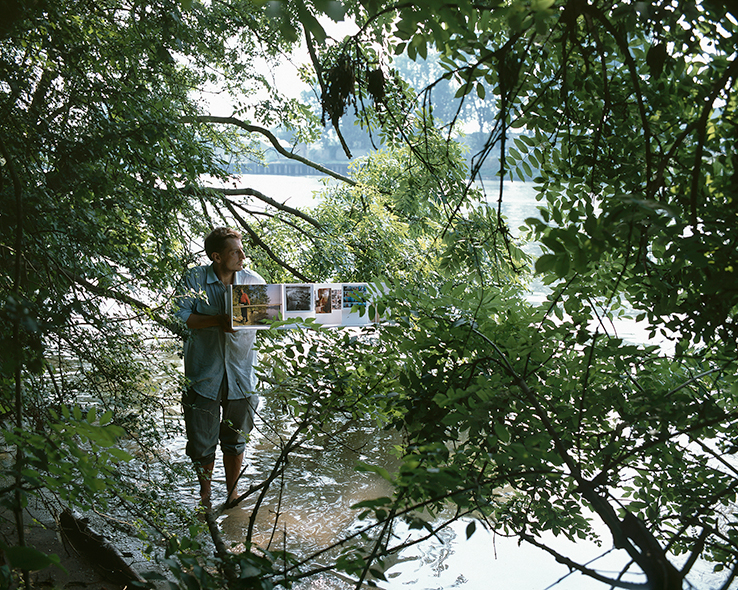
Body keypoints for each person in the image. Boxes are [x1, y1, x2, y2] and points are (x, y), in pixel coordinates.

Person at [174, 227, 265, 509]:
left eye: (242, 249)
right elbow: (181, 316)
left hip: (242, 374)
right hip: (204, 373)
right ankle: (204, 497)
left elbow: (267, 319)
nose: (242, 255)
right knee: (201, 442)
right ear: (216, 256)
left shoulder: (253, 281)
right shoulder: (194, 278)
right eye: (235, 251)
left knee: (236, 440)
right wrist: (218, 320)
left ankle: (232, 495)